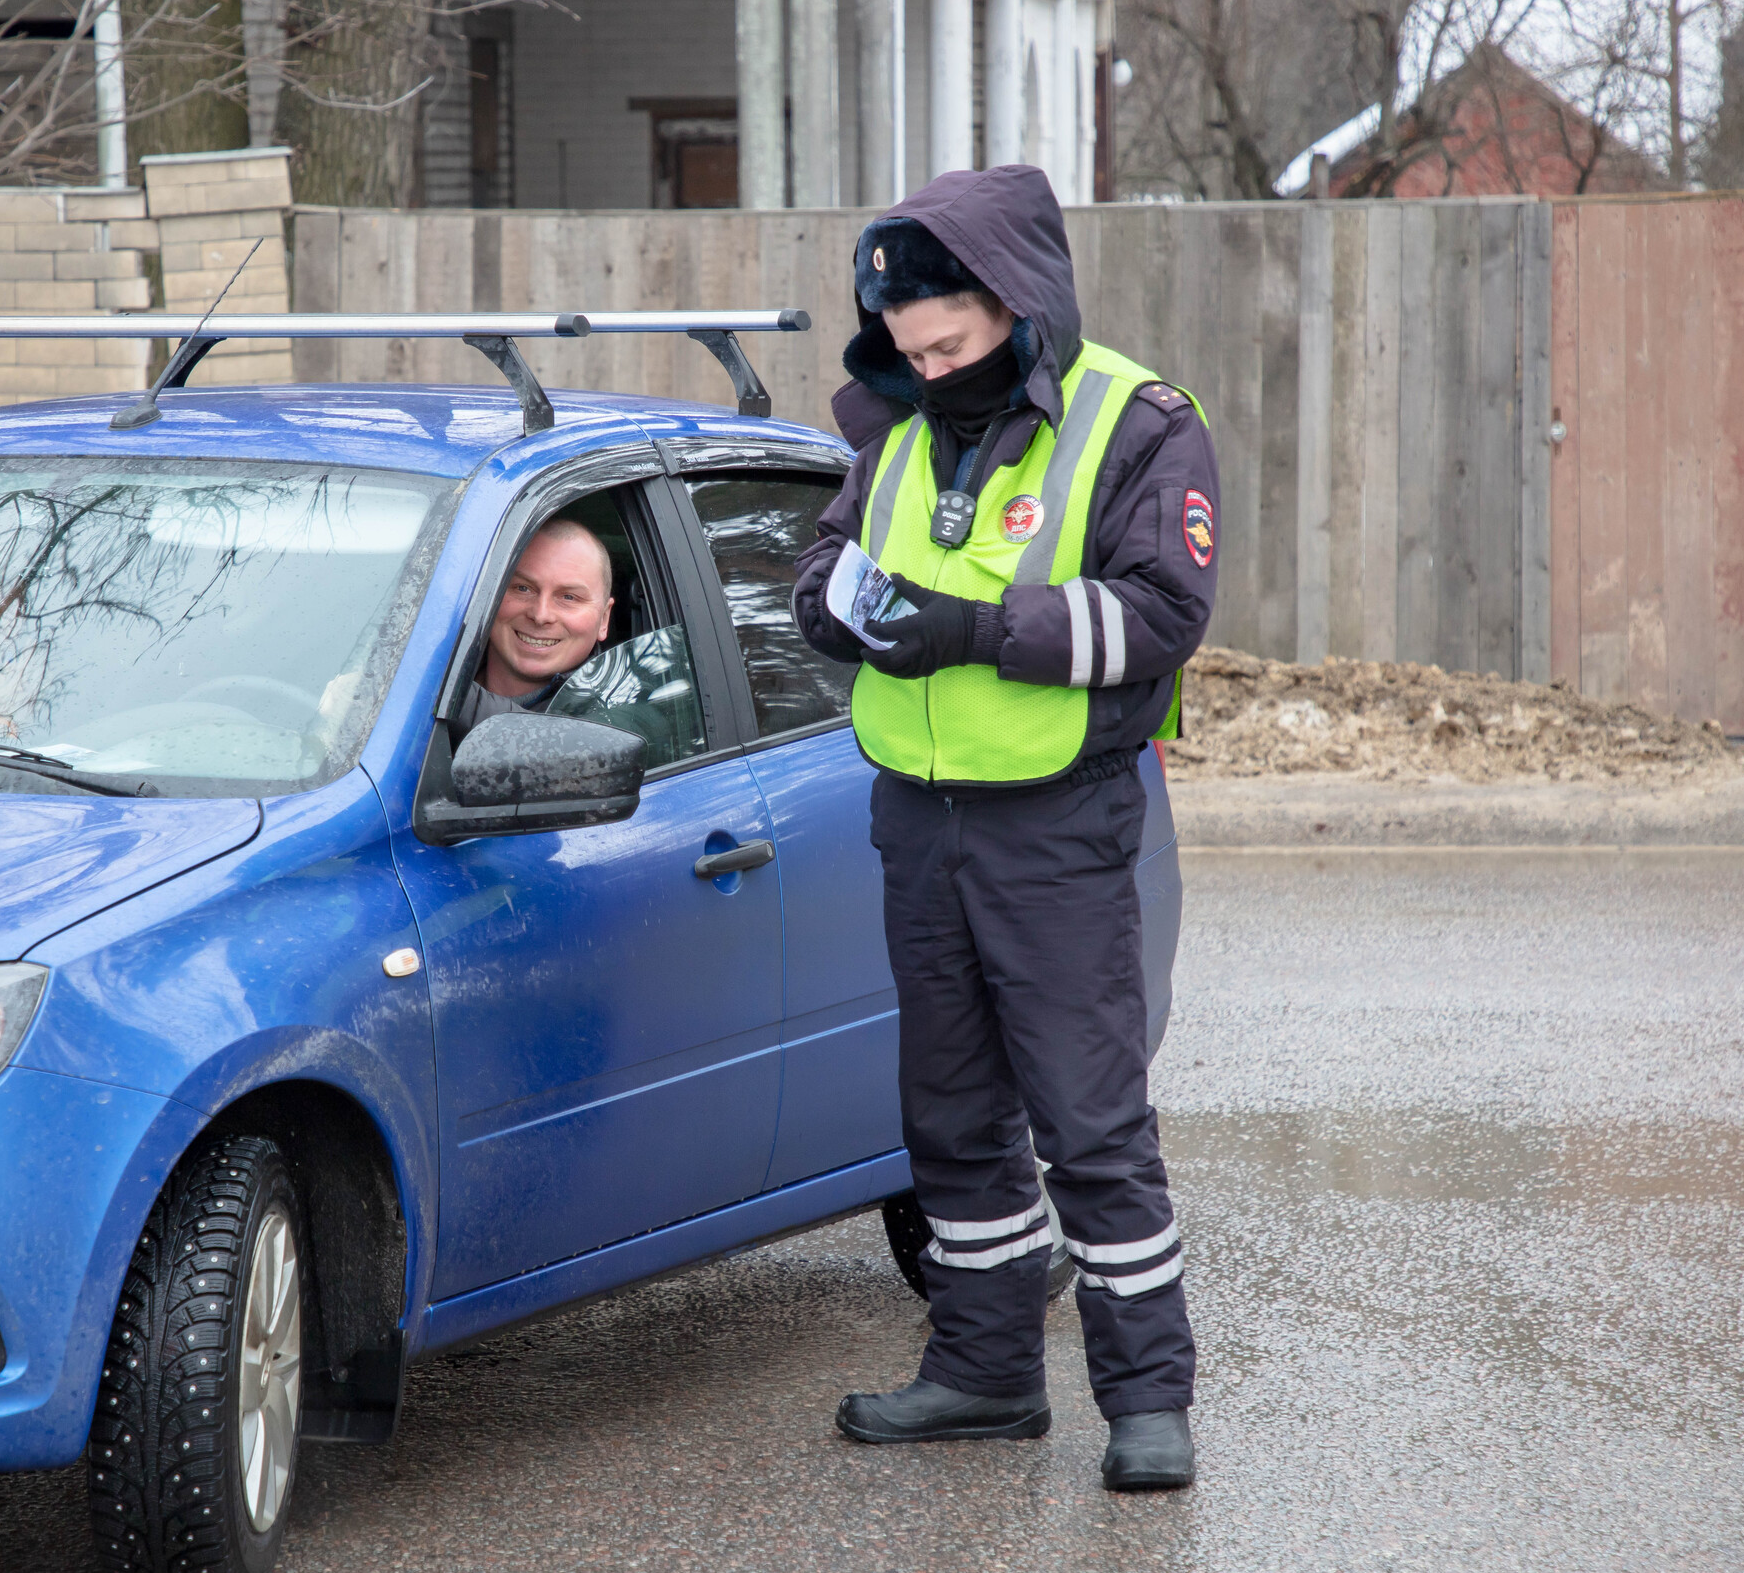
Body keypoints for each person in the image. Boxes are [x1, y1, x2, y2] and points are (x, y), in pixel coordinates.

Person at [790, 164, 1219, 1493]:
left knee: (1090, 1124)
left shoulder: (1138, 423)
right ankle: (984, 1373)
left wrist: (975, 631)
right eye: (909, 350)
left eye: (953, 345)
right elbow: (821, 562)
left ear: (1018, 309)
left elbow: (1161, 613)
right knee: (953, 1120)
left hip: (1063, 819)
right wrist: (834, 607)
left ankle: (1147, 1401)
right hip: (918, 820)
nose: (929, 371)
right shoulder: (904, 428)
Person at [455, 515, 704, 764]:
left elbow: (543, 748)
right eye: (523, 588)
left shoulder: (618, 718)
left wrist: (436, 688)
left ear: (604, 618)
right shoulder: (446, 655)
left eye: (569, 597)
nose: (541, 615)